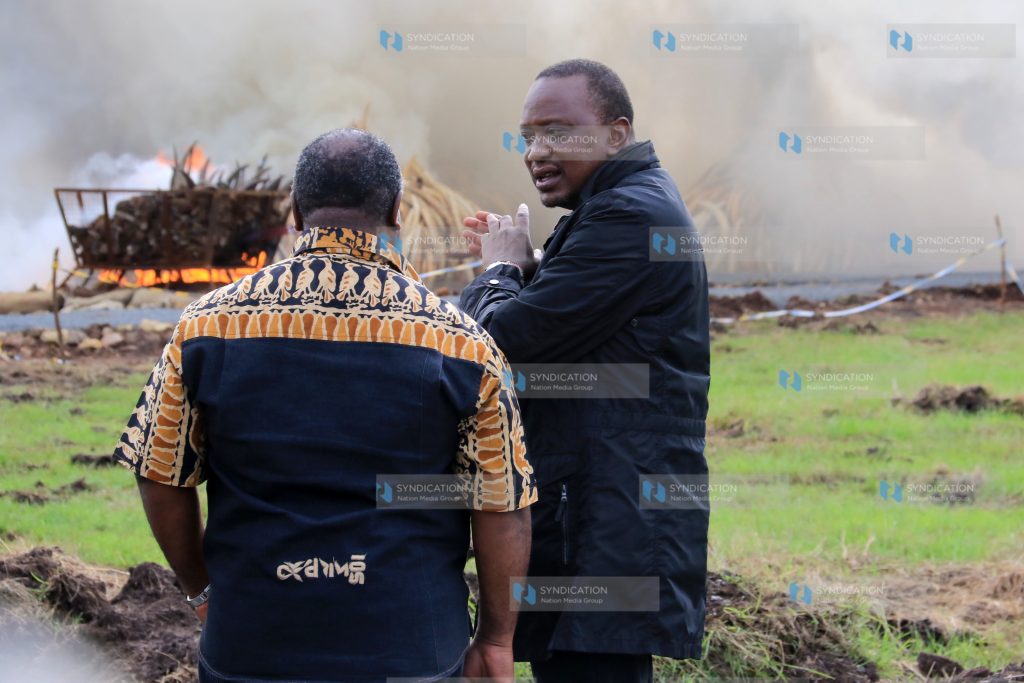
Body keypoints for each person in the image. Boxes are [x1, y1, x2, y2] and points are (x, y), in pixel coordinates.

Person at [114, 128, 536, 682]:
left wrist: (204, 592)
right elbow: (503, 506)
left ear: (294, 211)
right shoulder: (461, 344)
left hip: (249, 648)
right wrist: (497, 640)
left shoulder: (205, 327)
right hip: (412, 653)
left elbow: (159, 473)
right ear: (397, 211)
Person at [460, 59, 711, 683]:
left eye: (557, 131)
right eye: (527, 136)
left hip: (606, 522)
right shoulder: (620, 205)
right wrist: (526, 266)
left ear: (615, 134)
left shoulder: (628, 216)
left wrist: (499, 272)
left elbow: (500, 343)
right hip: (602, 513)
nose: (536, 152)